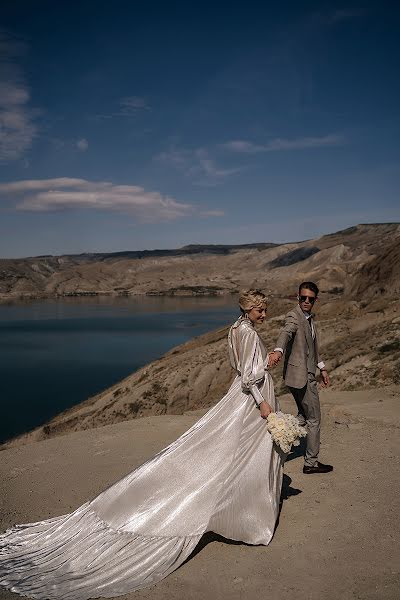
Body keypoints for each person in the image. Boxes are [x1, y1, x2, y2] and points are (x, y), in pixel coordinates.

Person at [0, 290, 284, 600]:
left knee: (240, 455)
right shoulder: (246, 333)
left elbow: (237, 367)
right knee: (238, 454)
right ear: (250, 308)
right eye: (261, 311)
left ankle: (240, 513)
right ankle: (244, 519)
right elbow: (248, 377)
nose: (264, 316)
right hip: (252, 401)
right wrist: (265, 391)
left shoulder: (236, 328)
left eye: (265, 311)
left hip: (248, 399)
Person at [269, 281, 333, 474]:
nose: (306, 301)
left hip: (299, 375)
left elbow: (312, 349)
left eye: (310, 299)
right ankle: (311, 463)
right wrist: (278, 350)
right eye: (303, 298)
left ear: (315, 300)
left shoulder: (309, 318)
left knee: (303, 416)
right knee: (314, 418)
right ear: (298, 297)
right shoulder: (294, 316)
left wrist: (322, 368)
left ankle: (276, 436)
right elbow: (286, 333)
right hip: (301, 377)